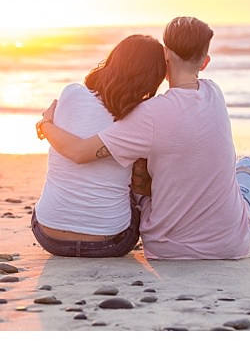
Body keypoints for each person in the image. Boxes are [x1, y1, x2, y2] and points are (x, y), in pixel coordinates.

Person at [38, 16, 250, 260]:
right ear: (204, 63)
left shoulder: (145, 114)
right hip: (229, 245)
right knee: (247, 166)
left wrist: (45, 124)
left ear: (166, 56)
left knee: (137, 165)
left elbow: (80, 152)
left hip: (161, 247)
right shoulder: (214, 92)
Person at [32, 34, 167, 257]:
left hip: (49, 235)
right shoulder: (141, 116)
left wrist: (45, 123)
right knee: (138, 175)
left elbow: (75, 150)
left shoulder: (71, 93)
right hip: (110, 242)